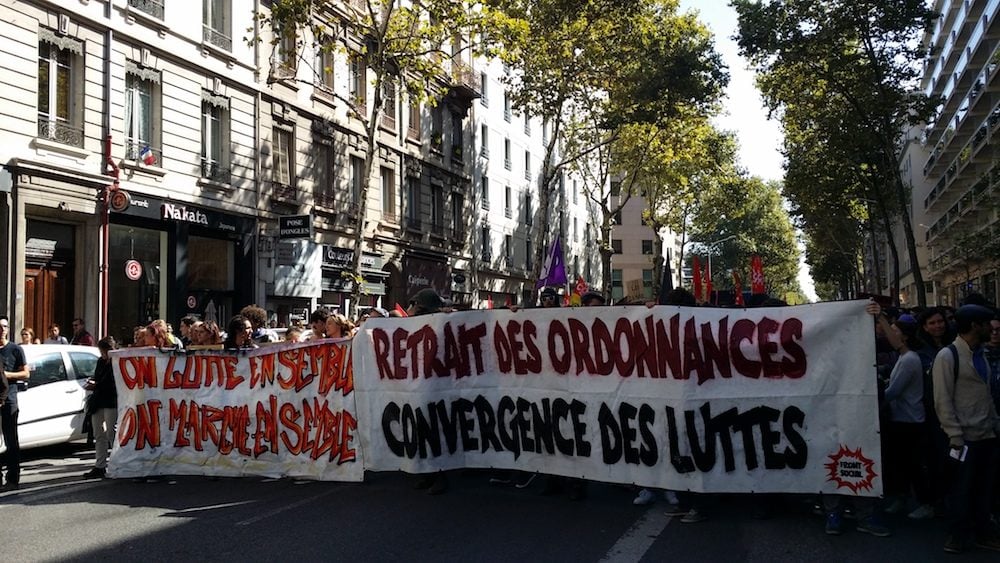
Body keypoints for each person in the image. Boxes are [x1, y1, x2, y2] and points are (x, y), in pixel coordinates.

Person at [933, 304, 1000, 554]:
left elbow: (985, 395)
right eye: (986, 324)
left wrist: (995, 423)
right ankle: (957, 535)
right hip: (963, 439)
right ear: (975, 326)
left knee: (984, 489)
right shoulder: (947, 356)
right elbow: (942, 399)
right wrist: (955, 435)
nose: (991, 329)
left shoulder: (980, 354)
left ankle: (982, 532)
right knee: (961, 489)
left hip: (987, 435)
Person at [83, 336, 118, 479]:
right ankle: (100, 465)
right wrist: (93, 382)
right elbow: (98, 377)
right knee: (99, 434)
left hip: (111, 400)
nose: (103, 354)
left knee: (111, 433)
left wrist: (96, 385)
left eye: (104, 351)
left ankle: (116, 462)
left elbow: (113, 382)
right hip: (99, 400)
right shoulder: (100, 362)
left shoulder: (116, 362)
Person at [0, 315, 28, 491]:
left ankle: (12, 479)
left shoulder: (15, 350)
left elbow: (26, 374)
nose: (2, 329)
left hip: (9, 400)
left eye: (4, 327)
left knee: (11, 441)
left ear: (8, 329)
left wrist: (5, 375)